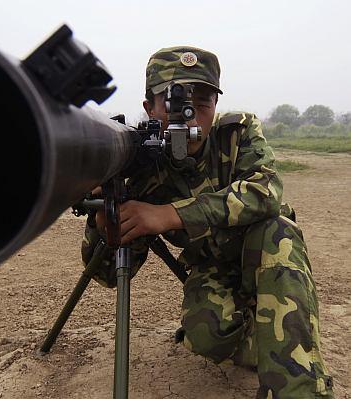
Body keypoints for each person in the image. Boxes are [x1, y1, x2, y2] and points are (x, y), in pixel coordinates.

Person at [81, 46, 334, 398]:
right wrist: (104, 215)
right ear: (149, 108)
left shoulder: (237, 133)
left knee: (279, 232)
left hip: (265, 252)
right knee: (208, 337)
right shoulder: (141, 167)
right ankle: (271, 336)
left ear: (216, 105)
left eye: (202, 102)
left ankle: (299, 388)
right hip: (211, 266)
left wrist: (169, 214)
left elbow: (266, 191)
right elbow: (107, 275)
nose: (189, 114)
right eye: (173, 103)